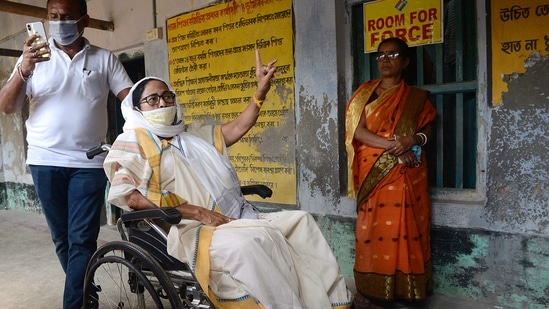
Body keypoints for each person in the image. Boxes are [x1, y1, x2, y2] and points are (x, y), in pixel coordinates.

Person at [103, 50, 353, 309]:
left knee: (301, 221)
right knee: (251, 242)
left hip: (231, 215)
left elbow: (237, 127)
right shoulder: (132, 141)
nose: (163, 104)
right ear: (136, 108)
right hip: (187, 227)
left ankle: (328, 303)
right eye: (152, 99)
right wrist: (197, 212)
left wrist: (261, 92)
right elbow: (131, 197)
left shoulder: (190, 134)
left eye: (167, 96)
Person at [0, 0, 133, 308]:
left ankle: (76, 303)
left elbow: (130, 99)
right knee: (62, 239)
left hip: (88, 162)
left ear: (84, 20)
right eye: (54, 16)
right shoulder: (34, 59)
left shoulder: (104, 59)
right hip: (44, 162)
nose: (60, 22)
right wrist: (23, 69)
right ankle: (86, 290)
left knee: (82, 238)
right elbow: (7, 106)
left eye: (68, 17)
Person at [345, 37, 437, 308]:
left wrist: (413, 140)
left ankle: (406, 289)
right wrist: (396, 147)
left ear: (405, 62)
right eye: (381, 55)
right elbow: (357, 131)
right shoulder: (364, 93)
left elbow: (428, 129)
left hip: (407, 172)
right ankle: (370, 288)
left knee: (407, 225)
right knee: (370, 228)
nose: (385, 60)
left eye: (393, 55)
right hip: (374, 170)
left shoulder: (416, 97)